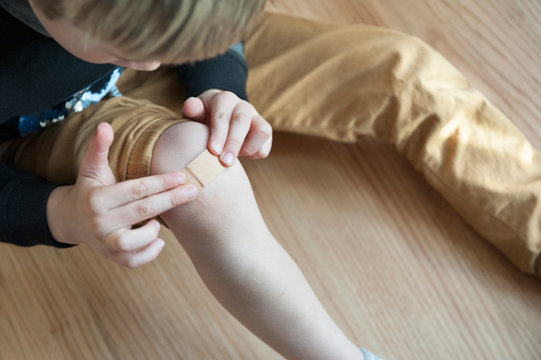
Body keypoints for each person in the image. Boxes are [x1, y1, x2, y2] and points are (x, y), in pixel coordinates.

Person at [1, 0, 381, 359]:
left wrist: (222, 85)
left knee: (402, 68)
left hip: (102, 78)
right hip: (27, 133)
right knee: (205, 179)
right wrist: (60, 215)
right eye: (128, 45)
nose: (151, 64)